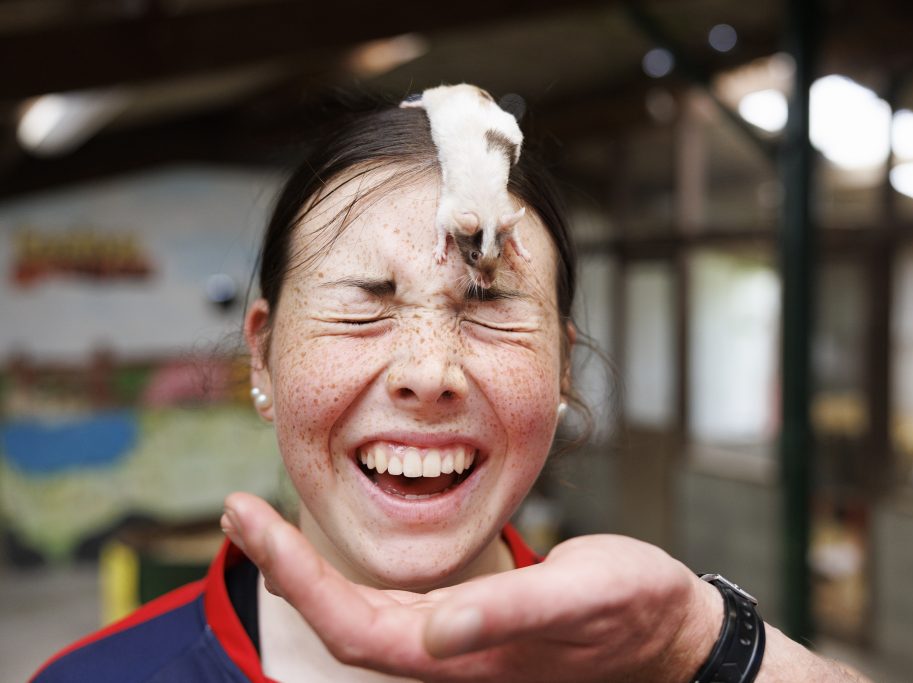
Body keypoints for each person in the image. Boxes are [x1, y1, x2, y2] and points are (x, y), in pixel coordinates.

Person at [32, 92, 869, 682]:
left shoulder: (660, 662)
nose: (429, 373)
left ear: (561, 368)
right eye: (366, 304)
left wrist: (702, 645)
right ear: (264, 357)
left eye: (489, 306)